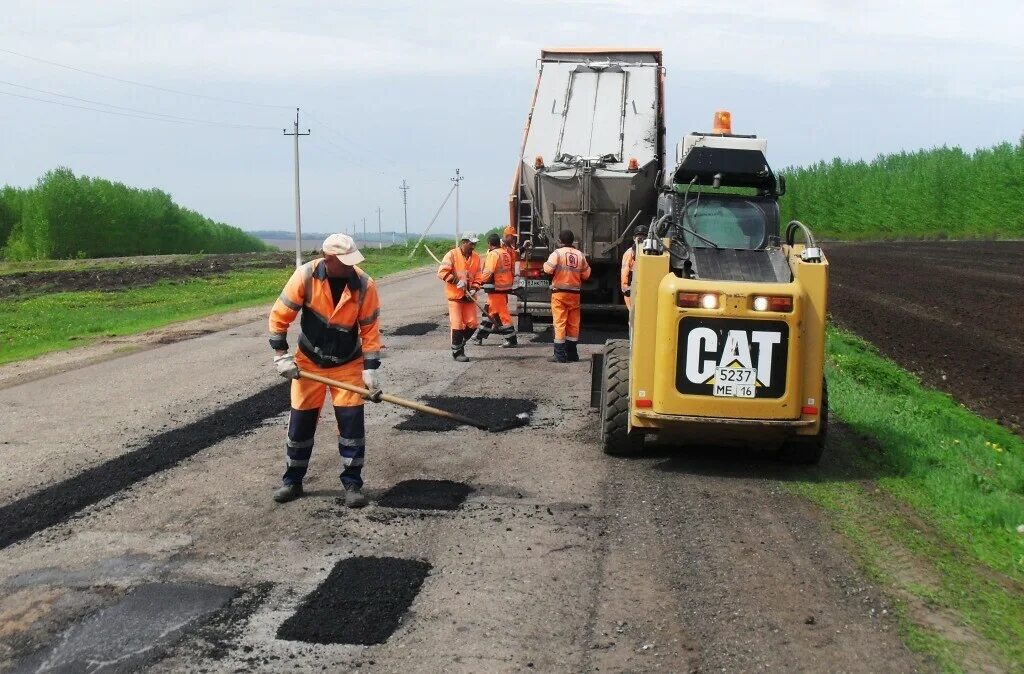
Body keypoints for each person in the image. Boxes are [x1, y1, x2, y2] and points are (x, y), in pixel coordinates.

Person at [268, 233, 381, 507]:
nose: (351, 267)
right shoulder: (305, 277)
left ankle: (352, 483)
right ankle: (292, 481)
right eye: (345, 262)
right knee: (300, 426)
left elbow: (370, 330)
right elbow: (279, 316)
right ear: (328, 259)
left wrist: (370, 370)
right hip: (308, 364)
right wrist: (281, 357)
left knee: (352, 425)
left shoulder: (364, 285)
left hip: (347, 364)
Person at [542, 229, 591, 363]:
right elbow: (586, 274)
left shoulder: (557, 253)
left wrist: (546, 265)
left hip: (559, 294)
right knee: (573, 324)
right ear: (572, 240)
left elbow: (548, 269)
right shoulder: (580, 255)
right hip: (574, 294)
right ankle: (572, 354)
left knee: (559, 323)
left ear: (560, 241)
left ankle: (559, 355)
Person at [437, 233, 482, 362]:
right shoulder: (451, 255)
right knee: (457, 325)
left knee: (472, 324)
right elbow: (442, 272)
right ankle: (457, 352)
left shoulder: (477, 258)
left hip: (469, 297)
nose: (473, 246)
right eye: (471, 243)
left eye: (475, 244)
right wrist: (455, 281)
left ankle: (459, 343)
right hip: (455, 297)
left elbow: (478, 276)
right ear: (464, 242)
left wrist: (474, 288)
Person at [474, 233, 517, 348]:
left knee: (502, 315)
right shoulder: (505, 252)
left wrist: (478, 282)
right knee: (489, 312)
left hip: (496, 288)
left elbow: (488, 272)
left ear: (489, 244)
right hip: (503, 287)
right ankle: (479, 337)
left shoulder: (493, 254)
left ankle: (511, 339)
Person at [620, 225, 646, 311]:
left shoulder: (650, 253)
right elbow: (625, 272)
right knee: (633, 314)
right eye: (639, 236)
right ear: (634, 238)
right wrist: (625, 288)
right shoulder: (629, 254)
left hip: (643, 289)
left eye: (643, 236)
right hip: (631, 290)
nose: (641, 239)